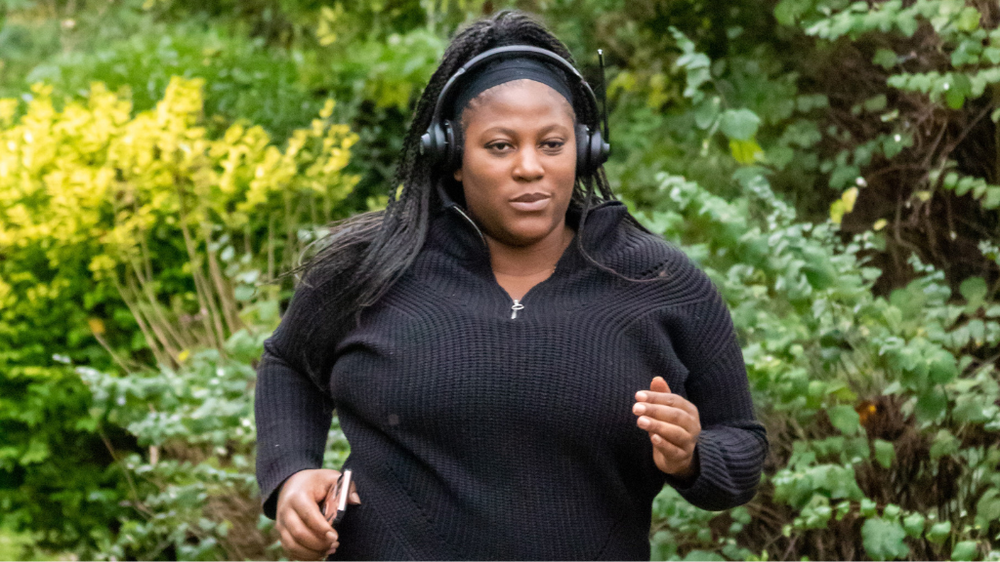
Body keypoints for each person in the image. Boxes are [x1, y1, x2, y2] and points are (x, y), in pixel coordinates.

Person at [254, 9, 767, 561]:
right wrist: (292, 474)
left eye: (552, 144)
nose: (530, 167)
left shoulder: (659, 282)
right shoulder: (370, 266)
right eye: (500, 146)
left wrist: (693, 455)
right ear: (450, 155)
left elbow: (740, 448)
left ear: (586, 149)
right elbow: (288, 364)